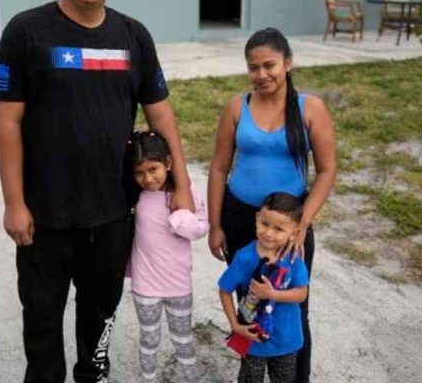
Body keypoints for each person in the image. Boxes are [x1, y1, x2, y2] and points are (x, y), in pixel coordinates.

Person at [0, 0, 194, 383]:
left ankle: (92, 377)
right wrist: (14, 202)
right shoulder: (27, 31)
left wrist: (182, 184)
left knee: (99, 316)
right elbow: (7, 124)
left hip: (112, 212)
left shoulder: (133, 36)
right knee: (42, 321)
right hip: (45, 214)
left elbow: (161, 115)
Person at [207, 28, 336, 383]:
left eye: (269, 65)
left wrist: (303, 223)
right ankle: (250, 373)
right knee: (249, 303)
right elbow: (218, 168)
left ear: (288, 63)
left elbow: (327, 170)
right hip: (240, 219)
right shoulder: (237, 107)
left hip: (290, 225)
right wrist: (215, 224)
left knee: (293, 306)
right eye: (253, 67)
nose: (261, 75)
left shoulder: (310, 108)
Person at [127, 130, 209, 383]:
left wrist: (180, 218)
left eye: (153, 169)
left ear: (168, 164)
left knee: (183, 338)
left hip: (178, 284)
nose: (148, 178)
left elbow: (202, 226)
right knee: (149, 338)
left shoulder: (184, 191)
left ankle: (191, 378)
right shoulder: (135, 196)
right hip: (145, 285)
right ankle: (148, 378)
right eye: (139, 173)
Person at [219, 192, 310, 383]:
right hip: (253, 340)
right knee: (250, 379)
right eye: (265, 224)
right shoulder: (245, 257)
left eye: (278, 229)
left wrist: (272, 294)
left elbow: (302, 293)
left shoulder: (293, 258)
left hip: (287, 340)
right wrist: (235, 325)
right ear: (257, 219)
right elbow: (225, 290)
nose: (268, 233)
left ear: (294, 233)